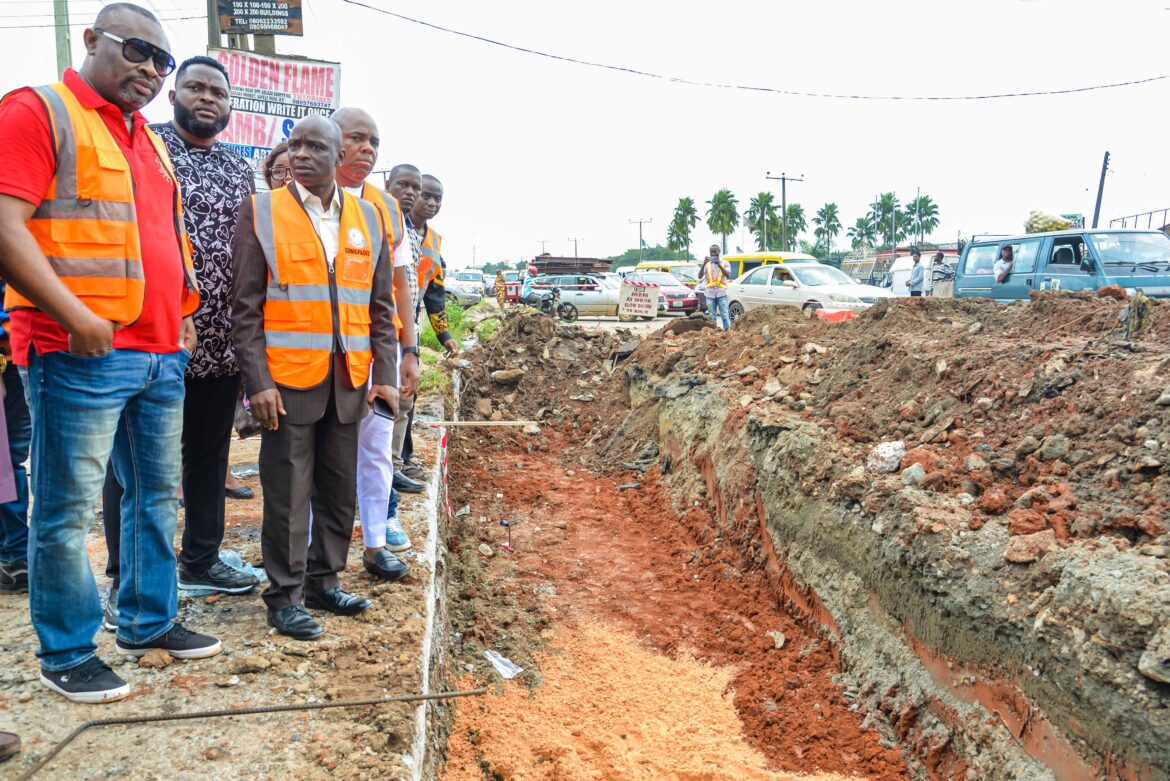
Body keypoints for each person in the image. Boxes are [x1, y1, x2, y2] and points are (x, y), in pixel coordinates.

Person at [0, 2, 221, 703]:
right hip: (78, 351)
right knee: (64, 510)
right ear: (92, 40)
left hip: (159, 354)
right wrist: (73, 313)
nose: (152, 70)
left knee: (156, 495)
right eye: (138, 52)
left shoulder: (145, 140)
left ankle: (148, 619)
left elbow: (161, 235)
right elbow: (6, 224)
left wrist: (181, 316)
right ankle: (66, 649)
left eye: (163, 61)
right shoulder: (40, 112)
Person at [231, 115, 400, 641]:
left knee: (337, 489)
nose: (300, 154)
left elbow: (380, 306)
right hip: (285, 383)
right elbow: (245, 308)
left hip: (348, 378)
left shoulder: (369, 219)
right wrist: (256, 382)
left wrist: (386, 375)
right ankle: (284, 596)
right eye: (294, 146)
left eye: (314, 147)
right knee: (287, 494)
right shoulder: (262, 211)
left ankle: (325, 582)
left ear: (338, 155)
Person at [331, 107, 417, 576]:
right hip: (317, 351)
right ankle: (314, 549)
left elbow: (401, 285)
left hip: (375, 348)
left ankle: (376, 542)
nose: (367, 149)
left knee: (377, 447)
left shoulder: (385, 208)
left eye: (374, 142)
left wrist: (410, 351)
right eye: (357, 138)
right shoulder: (297, 198)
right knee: (318, 456)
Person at [0, 281, 30, 593]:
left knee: (10, 458)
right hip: (7, 345)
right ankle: (14, 555)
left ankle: (15, 555)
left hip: (18, 344)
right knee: (4, 461)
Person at [699, 245, 731, 329]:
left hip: (721, 293)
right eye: (711, 252)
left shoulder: (725, 263)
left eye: (715, 252)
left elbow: (728, 275)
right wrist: (703, 264)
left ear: (719, 252)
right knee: (712, 317)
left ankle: (727, 332)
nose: (713, 254)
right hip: (710, 294)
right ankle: (714, 334)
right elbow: (699, 276)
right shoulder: (707, 265)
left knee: (724, 315)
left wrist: (719, 265)